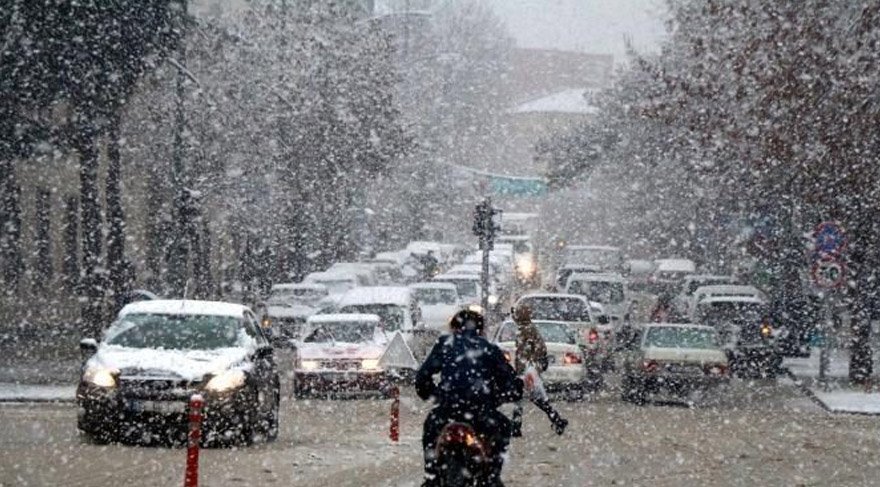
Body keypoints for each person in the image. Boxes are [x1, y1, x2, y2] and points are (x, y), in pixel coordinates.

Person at [416, 308, 523, 487]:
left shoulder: (444, 344)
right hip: (480, 413)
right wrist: (498, 398)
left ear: (454, 328)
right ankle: (493, 475)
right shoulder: (489, 349)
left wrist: (436, 396)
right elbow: (511, 385)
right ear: (481, 330)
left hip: (448, 410)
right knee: (504, 426)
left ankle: (431, 475)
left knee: (430, 428)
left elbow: (422, 379)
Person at [510, 305, 568, 437]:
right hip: (527, 369)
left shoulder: (526, 330)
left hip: (527, 370)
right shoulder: (526, 328)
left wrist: (529, 367)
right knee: (532, 398)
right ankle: (556, 419)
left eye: (516, 314)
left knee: (524, 398)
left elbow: (535, 349)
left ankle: (516, 427)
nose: (514, 317)